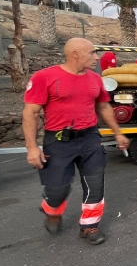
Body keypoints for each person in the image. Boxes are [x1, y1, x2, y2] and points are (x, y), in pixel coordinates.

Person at [22, 38, 130, 245]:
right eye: (92, 53)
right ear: (75, 54)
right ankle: (51, 208)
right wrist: (32, 147)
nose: (96, 57)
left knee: (95, 183)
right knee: (57, 189)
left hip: (90, 138)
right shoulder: (45, 77)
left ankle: (90, 226)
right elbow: (31, 112)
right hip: (59, 140)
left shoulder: (95, 79)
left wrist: (118, 133)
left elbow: (104, 107)